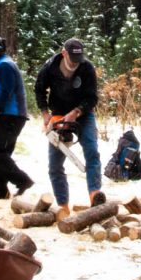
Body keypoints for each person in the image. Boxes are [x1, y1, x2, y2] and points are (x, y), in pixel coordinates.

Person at [34, 37, 105, 208]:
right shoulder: (50, 67)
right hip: (58, 114)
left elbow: (92, 97)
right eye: (72, 60)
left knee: (92, 150)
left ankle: (95, 195)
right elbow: (39, 90)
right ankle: (63, 205)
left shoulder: (87, 68)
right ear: (64, 53)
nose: (75, 64)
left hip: (83, 113)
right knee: (55, 164)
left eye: (78, 61)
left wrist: (77, 112)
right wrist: (45, 115)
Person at [0, 35, 35, 199]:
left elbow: (8, 91)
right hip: (7, 115)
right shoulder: (1, 64)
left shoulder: (5, 65)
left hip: (12, 116)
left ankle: (23, 180)